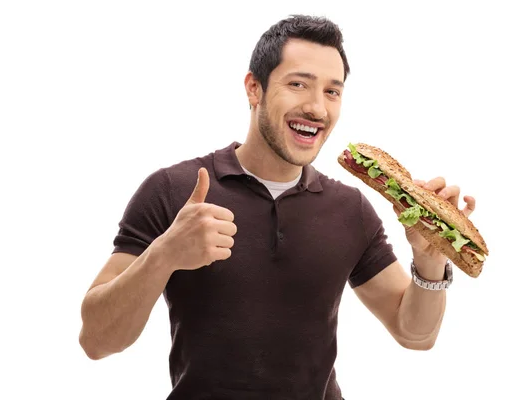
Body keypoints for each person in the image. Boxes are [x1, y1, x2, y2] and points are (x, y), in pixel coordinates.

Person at [78, 14, 477, 400]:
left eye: (332, 91)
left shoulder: (350, 209)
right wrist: (164, 255)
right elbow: (96, 340)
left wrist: (428, 259)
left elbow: (416, 335)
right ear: (254, 88)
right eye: (299, 84)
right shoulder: (173, 189)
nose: (317, 108)